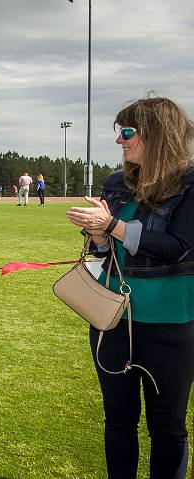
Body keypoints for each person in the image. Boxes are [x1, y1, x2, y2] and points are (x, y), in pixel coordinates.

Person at [66, 96, 194, 479]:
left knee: (167, 427)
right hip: (112, 320)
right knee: (118, 420)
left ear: (157, 135)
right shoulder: (116, 183)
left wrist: (112, 227)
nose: (120, 141)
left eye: (127, 132)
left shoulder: (190, 183)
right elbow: (107, 254)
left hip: (171, 324)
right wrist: (99, 237)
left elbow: (177, 248)